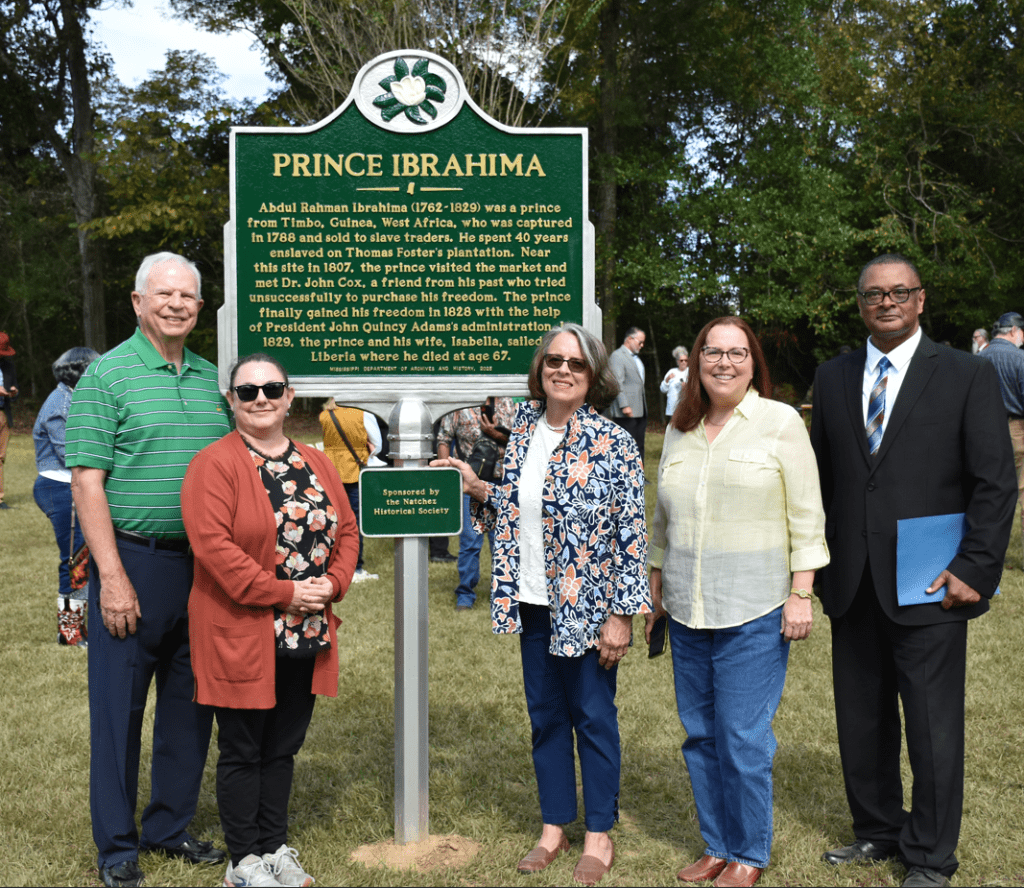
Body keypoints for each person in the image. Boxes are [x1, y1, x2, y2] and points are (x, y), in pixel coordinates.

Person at [810, 254, 1015, 888]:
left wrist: (974, 567)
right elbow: (822, 479)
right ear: (861, 304)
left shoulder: (965, 373)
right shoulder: (834, 375)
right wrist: (816, 566)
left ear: (920, 300)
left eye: (900, 292)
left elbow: (994, 483)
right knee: (861, 718)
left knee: (931, 726)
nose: (887, 302)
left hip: (931, 581)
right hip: (852, 580)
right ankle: (876, 830)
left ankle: (929, 856)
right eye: (875, 294)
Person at [434, 323, 650, 886]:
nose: (562, 370)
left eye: (576, 364)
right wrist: (477, 488)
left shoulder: (613, 441)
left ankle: (598, 834)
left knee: (594, 717)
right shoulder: (525, 427)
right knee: (546, 718)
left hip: (588, 606)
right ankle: (554, 826)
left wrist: (621, 615)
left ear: (592, 375)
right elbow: (521, 506)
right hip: (532, 599)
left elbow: (631, 533)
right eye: (554, 360)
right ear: (541, 367)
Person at [645, 317, 829, 888]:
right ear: (696, 361)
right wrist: (654, 588)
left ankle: (748, 852)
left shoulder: (779, 423)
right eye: (713, 352)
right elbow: (663, 521)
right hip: (686, 609)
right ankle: (716, 844)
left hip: (756, 608)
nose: (725, 363)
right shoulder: (680, 429)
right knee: (699, 734)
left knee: (743, 737)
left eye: (737, 353)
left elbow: (807, 515)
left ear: (753, 362)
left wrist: (802, 594)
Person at [66, 252, 231, 888]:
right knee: (118, 715)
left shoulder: (213, 380)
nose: (176, 305)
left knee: (191, 707)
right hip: (133, 560)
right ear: (137, 303)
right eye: (163, 294)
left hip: (204, 568)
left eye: (187, 296)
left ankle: (169, 825)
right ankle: (117, 847)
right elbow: (87, 482)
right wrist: (112, 575)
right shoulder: (106, 377)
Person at [182, 353, 359, 888]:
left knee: (283, 745)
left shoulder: (316, 459)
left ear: (288, 396)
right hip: (243, 627)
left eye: (271, 388)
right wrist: (284, 593)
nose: (260, 398)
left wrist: (333, 584)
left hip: (306, 629)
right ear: (231, 400)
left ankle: (275, 847)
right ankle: (245, 862)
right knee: (242, 746)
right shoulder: (213, 464)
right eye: (247, 390)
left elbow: (347, 530)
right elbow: (215, 548)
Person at [33, 347, 100, 646]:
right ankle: (70, 633)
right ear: (79, 372)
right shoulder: (61, 404)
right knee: (75, 559)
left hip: (70, 486)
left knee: (84, 557)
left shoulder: (73, 398)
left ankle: (84, 626)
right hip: (61, 488)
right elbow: (70, 455)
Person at [436, 396, 515, 610]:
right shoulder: (460, 404)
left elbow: (524, 441)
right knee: (470, 542)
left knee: (503, 543)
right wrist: (446, 475)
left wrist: (494, 434)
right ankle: (465, 594)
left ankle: (502, 594)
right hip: (469, 485)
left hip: (504, 482)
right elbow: (443, 438)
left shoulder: (510, 402)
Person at [977, 311, 1024, 561]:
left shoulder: (979, 359)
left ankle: (984, 551)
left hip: (983, 431)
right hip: (1018, 430)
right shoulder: (1021, 358)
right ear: (1014, 331)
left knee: (989, 493)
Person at [319, 398, 383, 581]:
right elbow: (377, 445)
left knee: (332, 521)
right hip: (354, 472)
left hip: (330, 472)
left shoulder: (325, 415)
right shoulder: (362, 413)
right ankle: (356, 568)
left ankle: (331, 565)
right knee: (354, 522)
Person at [604, 326, 647, 463]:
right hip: (627, 411)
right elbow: (617, 382)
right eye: (640, 342)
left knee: (639, 444)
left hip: (640, 409)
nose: (642, 346)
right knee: (625, 446)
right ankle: (624, 476)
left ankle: (640, 476)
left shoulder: (635, 358)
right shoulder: (617, 356)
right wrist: (625, 405)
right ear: (629, 339)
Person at [0, 330, 19, 510]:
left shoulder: (8, 366)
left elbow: (14, 389)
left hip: (3, 413)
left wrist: (13, 391)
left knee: (1, 457)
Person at [660, 345, 689, 417]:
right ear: (677, 361)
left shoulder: (691, 372)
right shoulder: (671, 372)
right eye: (681, 360)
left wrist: (687, 387)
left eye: (686, 360)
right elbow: (663, 390)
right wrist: (667, 380)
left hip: (687, 408)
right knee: (673, 428)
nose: (684, 362)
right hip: (672, 409)